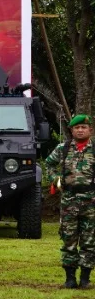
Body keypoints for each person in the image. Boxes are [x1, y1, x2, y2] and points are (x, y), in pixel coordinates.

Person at [45, 114, 95, 289]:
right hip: (69, 201)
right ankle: (70, 279)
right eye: (76, 128)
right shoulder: (63, 148)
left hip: (91, 202)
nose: (80, 130)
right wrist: (55, 180)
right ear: (72, 130)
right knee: (68, 239)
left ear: (90, 130)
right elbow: (49, 164)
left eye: (83, 127)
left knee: (90, 241)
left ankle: (85, 279)